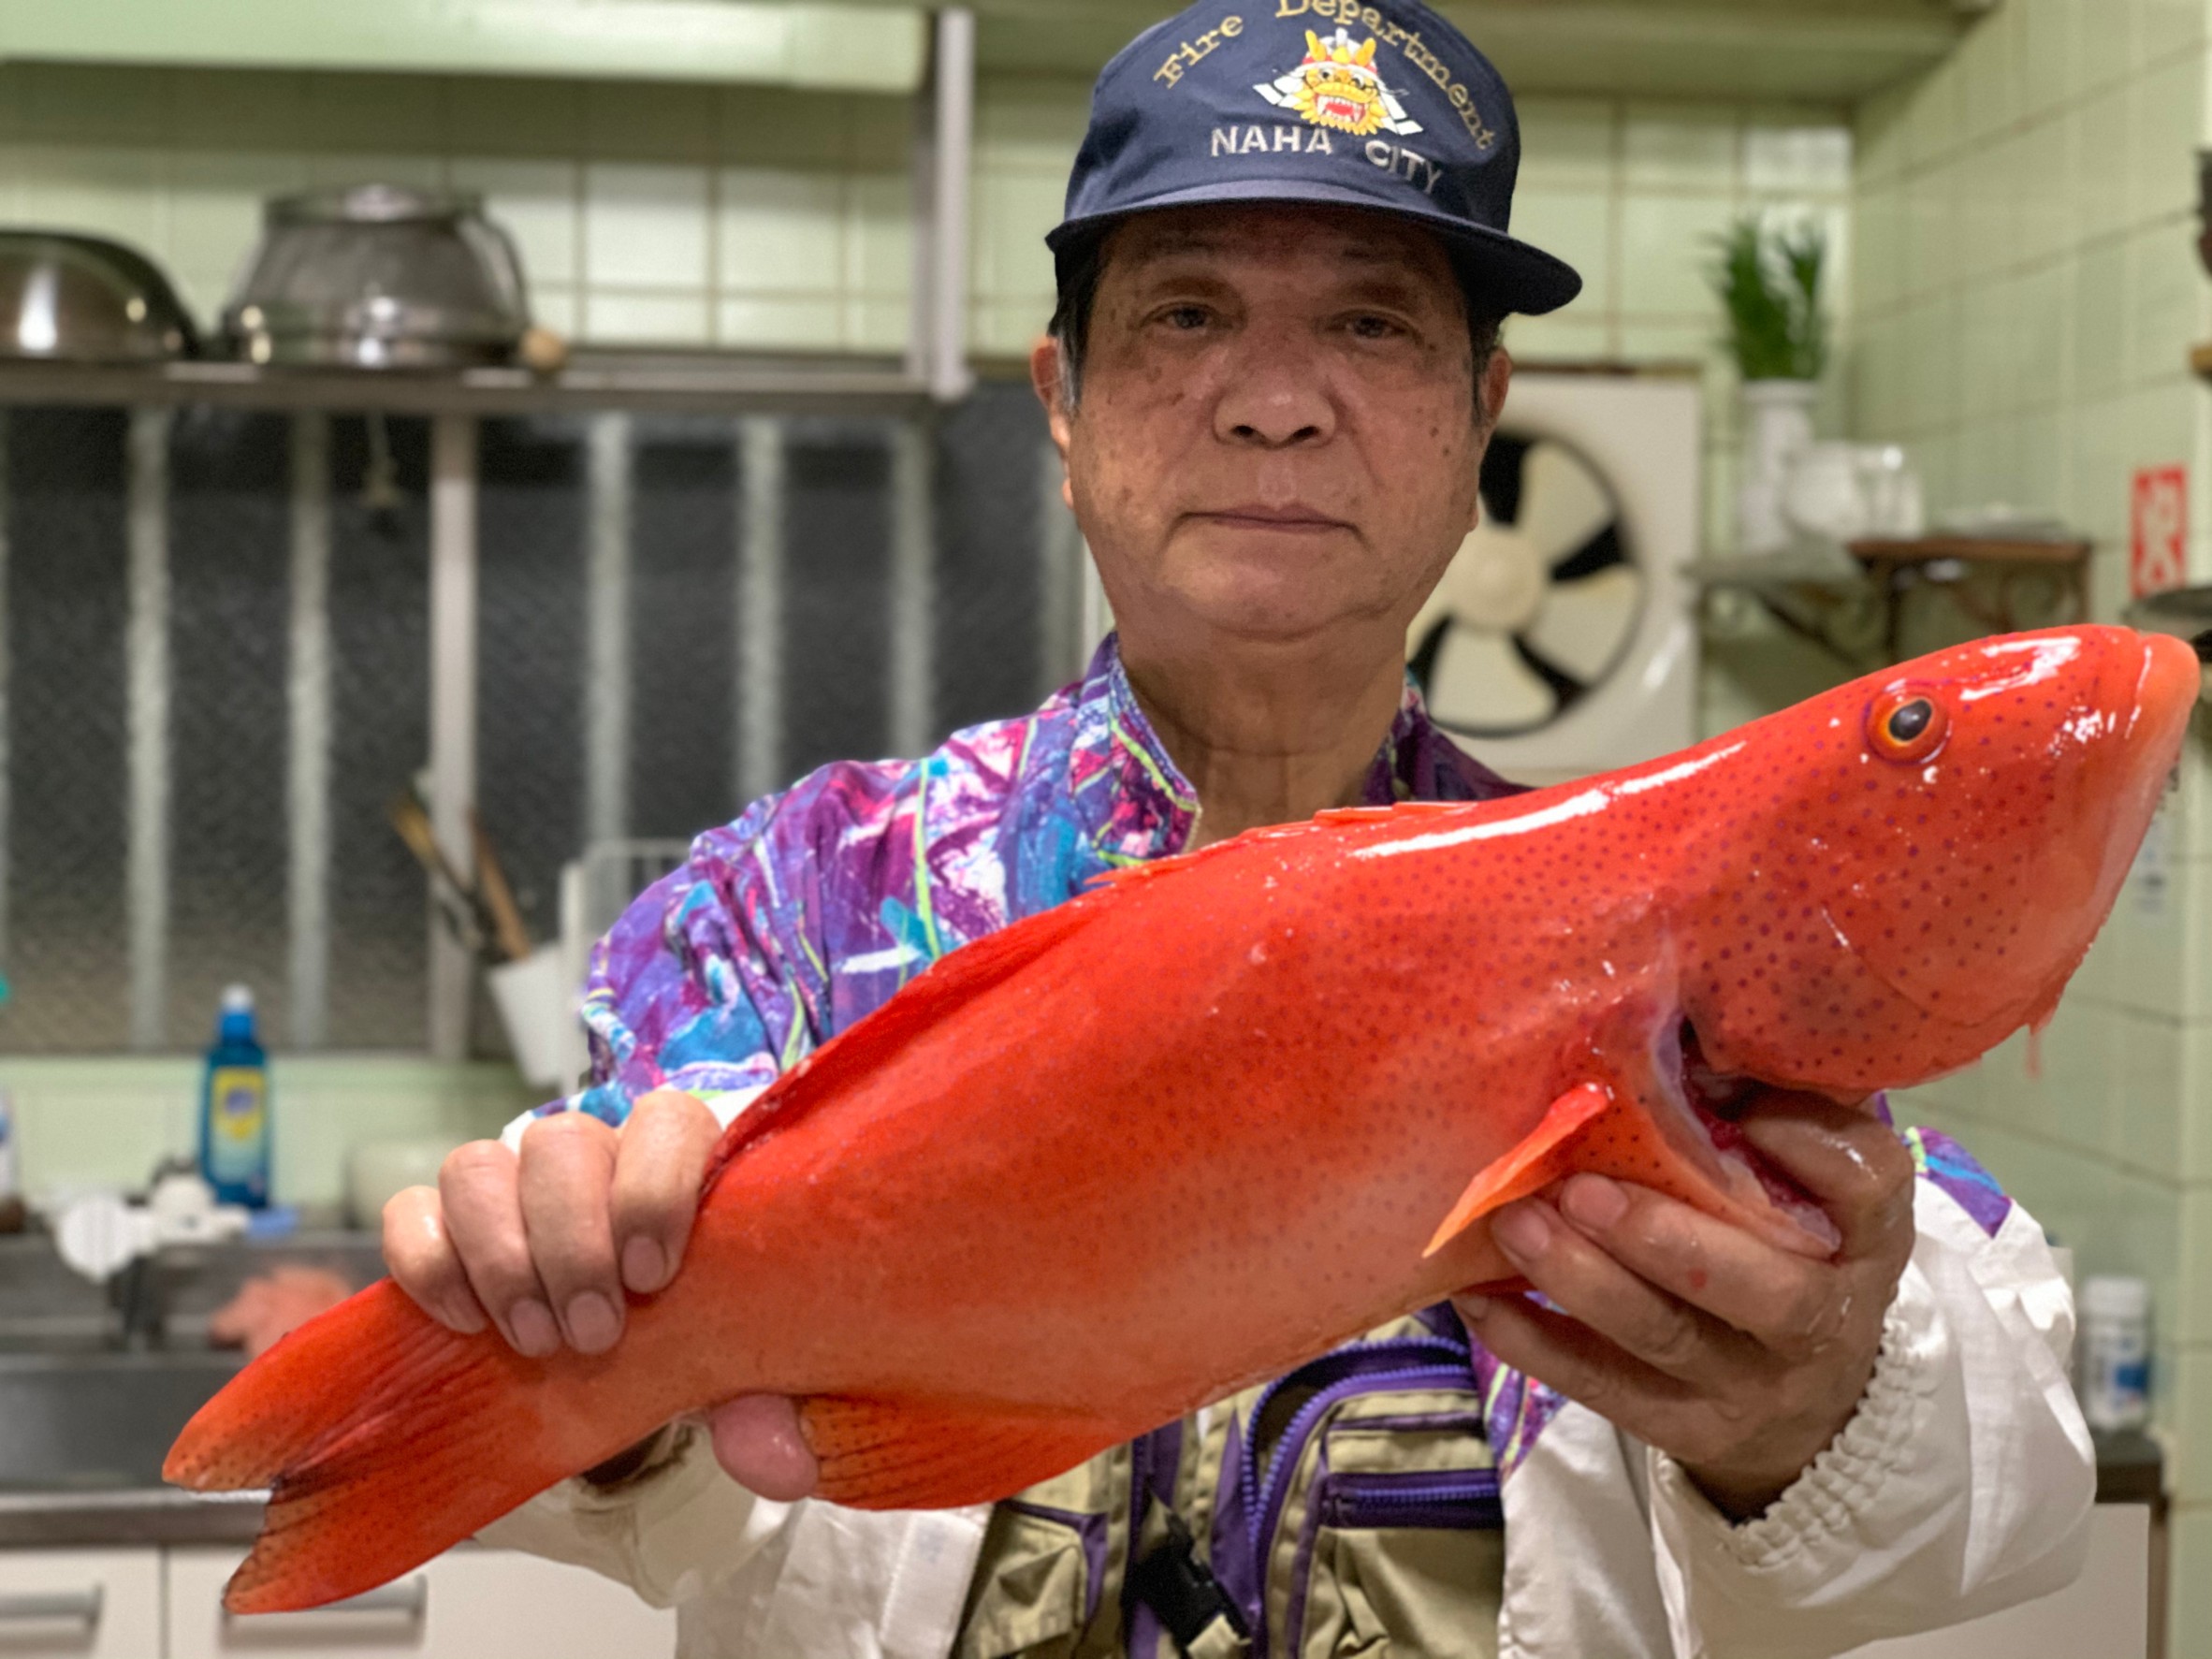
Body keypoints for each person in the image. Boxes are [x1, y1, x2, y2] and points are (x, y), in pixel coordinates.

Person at [382, 4, 2095, 1653]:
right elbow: (585, 1463)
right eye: (1188, 314)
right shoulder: (796, 902)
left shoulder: (1646, 927)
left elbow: (2000, 1453)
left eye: (1371, 324)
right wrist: (591, 1356)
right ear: (1062, 400)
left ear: (1481, 416)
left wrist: (1819, 1403)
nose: (1276, 400)